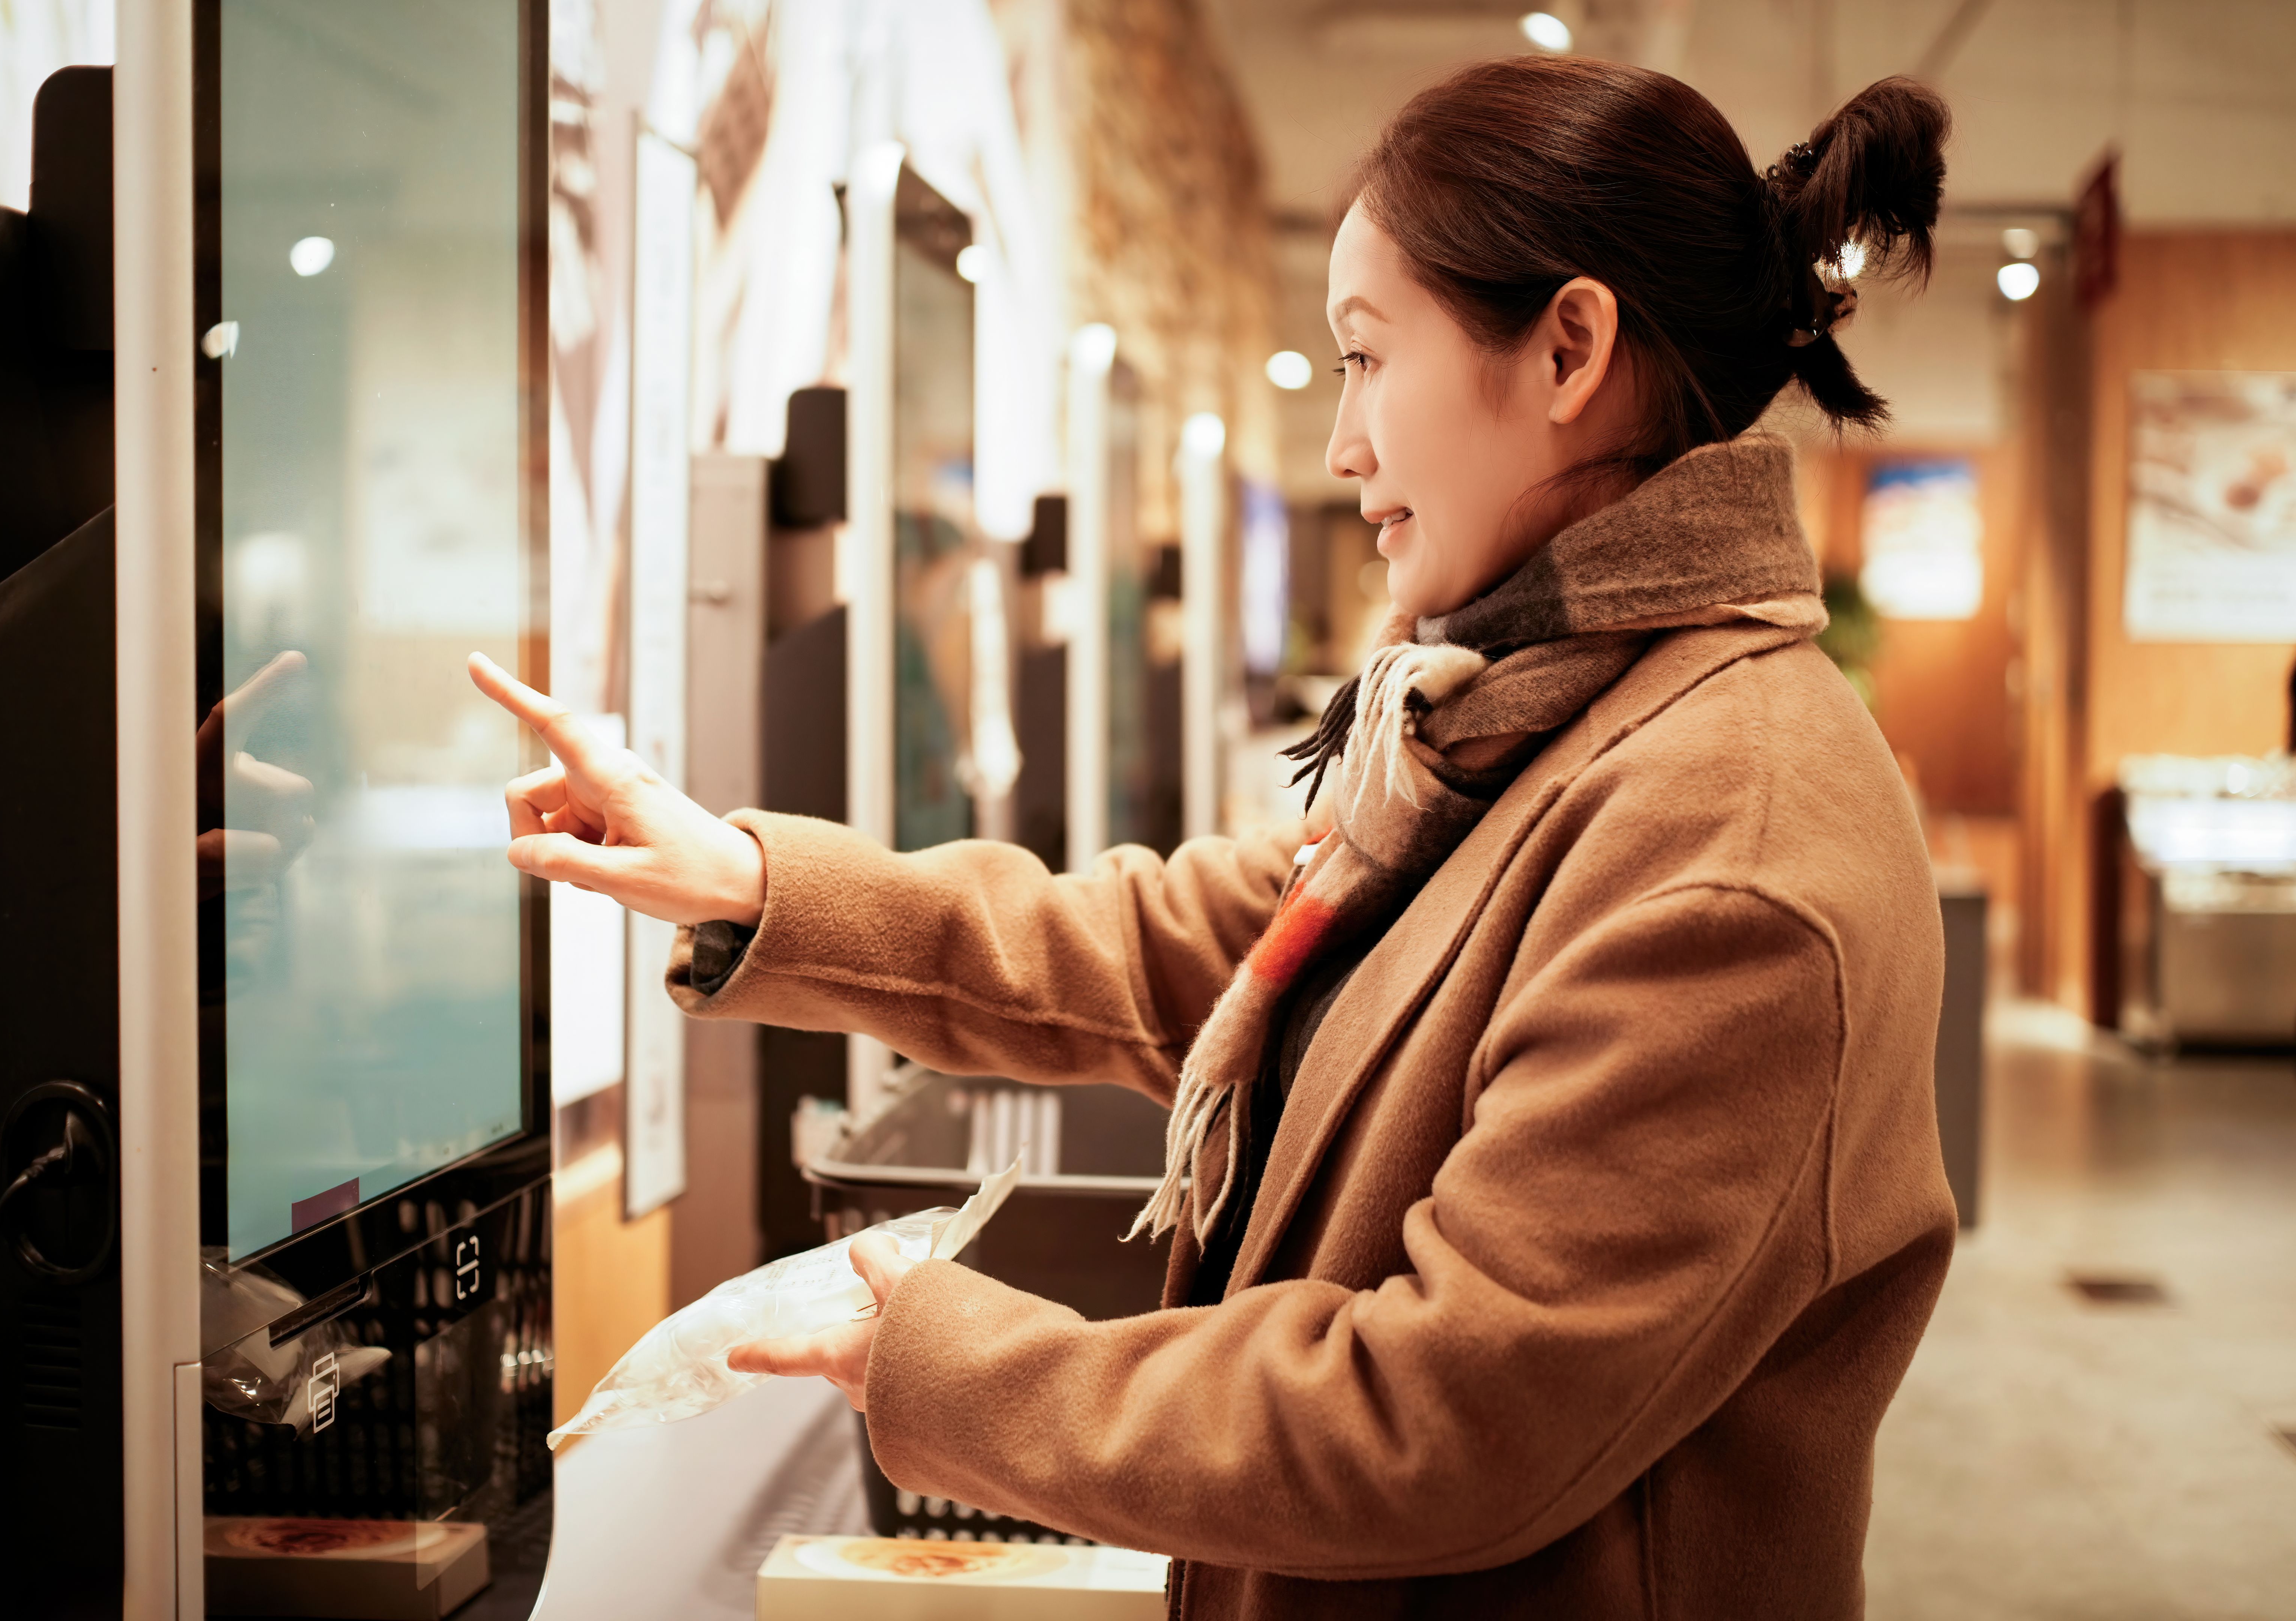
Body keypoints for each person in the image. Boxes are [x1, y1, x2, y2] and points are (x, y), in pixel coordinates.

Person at [472, 56, 1956, 1619]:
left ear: (1570, 347)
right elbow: (1182, 941)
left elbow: (1436, 1417)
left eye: (1367, 359)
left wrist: (936, 1354)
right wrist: (749, 881)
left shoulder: (1730, 847)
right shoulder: (1538, 723)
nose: (1343, 447)